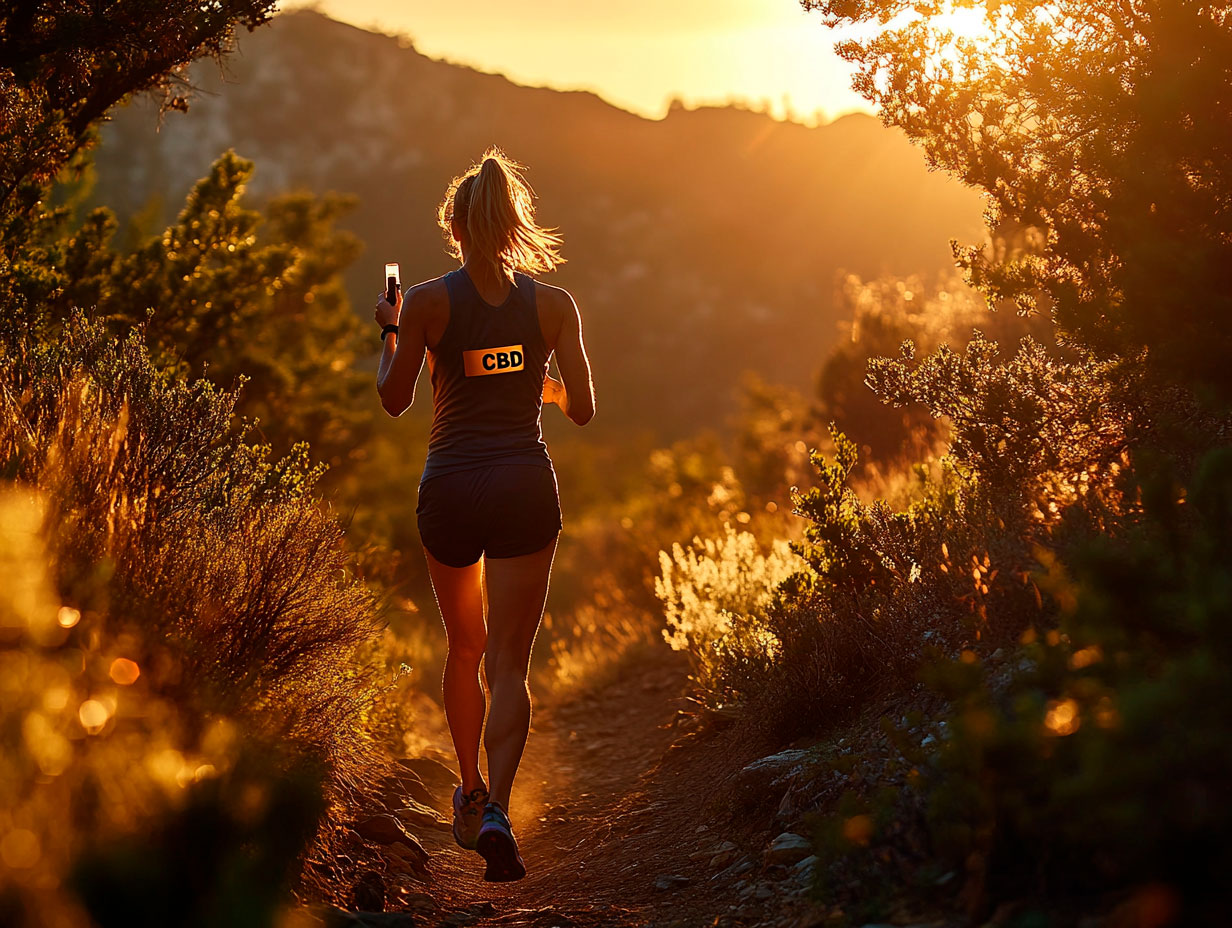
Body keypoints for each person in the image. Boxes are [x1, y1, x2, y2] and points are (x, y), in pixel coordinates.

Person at [373, 148, 595, 882]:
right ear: (510, 227)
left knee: (464, 647)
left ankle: (466, 789)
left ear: (455, 229)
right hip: (524, 486)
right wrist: (547, 385)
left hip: (450, 488)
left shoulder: (429, 303)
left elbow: (394, 398)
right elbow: (585, 410)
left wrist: (390, 333)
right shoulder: (554, 306)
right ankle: (498, 806)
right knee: (510, 659)